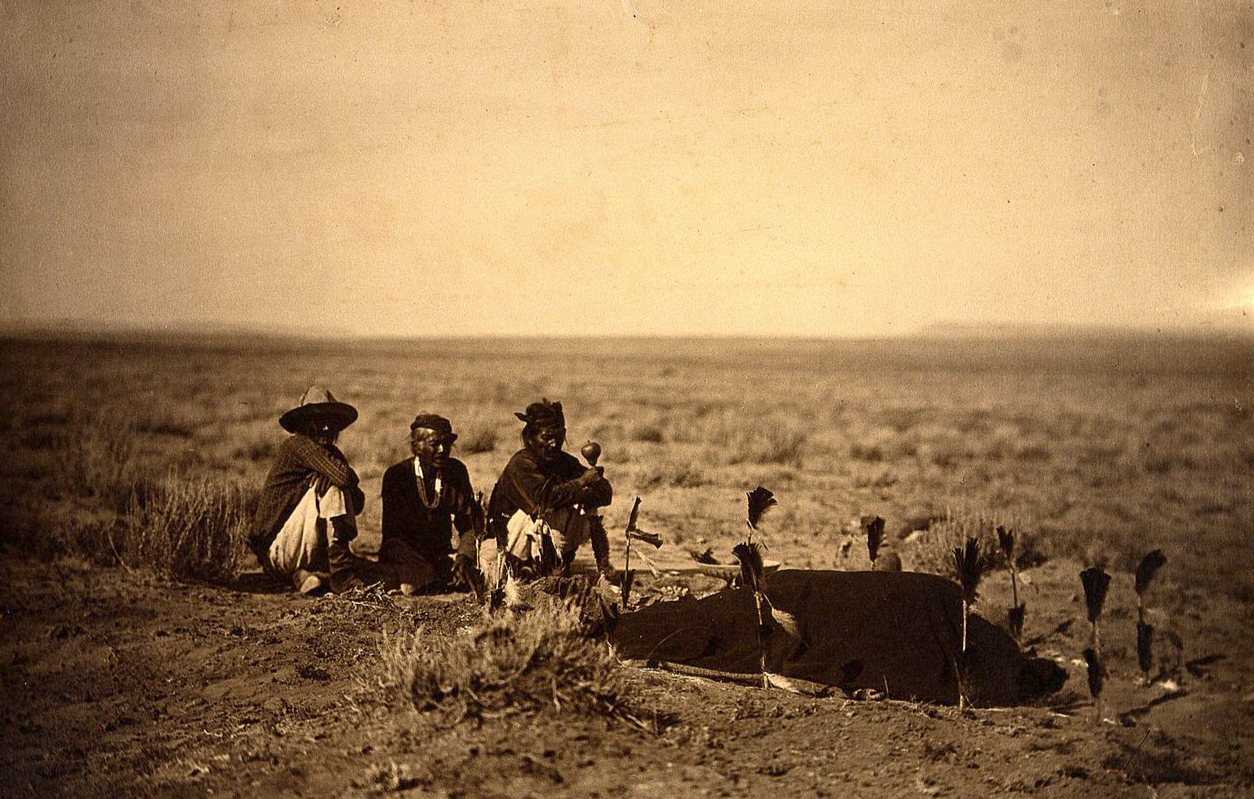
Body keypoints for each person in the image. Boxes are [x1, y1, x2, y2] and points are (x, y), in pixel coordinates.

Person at [249, 386, 365, 595]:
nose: (327, 428)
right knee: (334, 486)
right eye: (320, 421)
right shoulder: (299, 445)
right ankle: (340, 574)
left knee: (334, 484)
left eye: (332, 421)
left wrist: (333, 474)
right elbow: (344, 478)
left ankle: (307, 576)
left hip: (296, 550)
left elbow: (358, 503)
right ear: (305, 423)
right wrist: (335, 476)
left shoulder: (330, 454)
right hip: (277, 548)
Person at [487, 398, 614, 578]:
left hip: (548, 543)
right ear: (530, 438)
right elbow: (544, 501)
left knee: (585, 506)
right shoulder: (521, 464)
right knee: (546, 512)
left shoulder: (564, 462)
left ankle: (576, 566)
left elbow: (605, 496)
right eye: (546, 438)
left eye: (558, 436)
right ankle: (529, 570)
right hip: (510, 547)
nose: (554, 444)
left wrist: (596, 481)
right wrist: (581, 483)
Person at [379, 414, 484, 595]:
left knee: (486, 564)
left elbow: (468, 524)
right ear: (417, 447)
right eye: (435, 444)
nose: (443, 449)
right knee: (411, 581)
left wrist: (464, 556)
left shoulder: (455, 471)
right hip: (406, 554)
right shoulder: (397, 475)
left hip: (441, 554)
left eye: (446, 443)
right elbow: (392, 535)